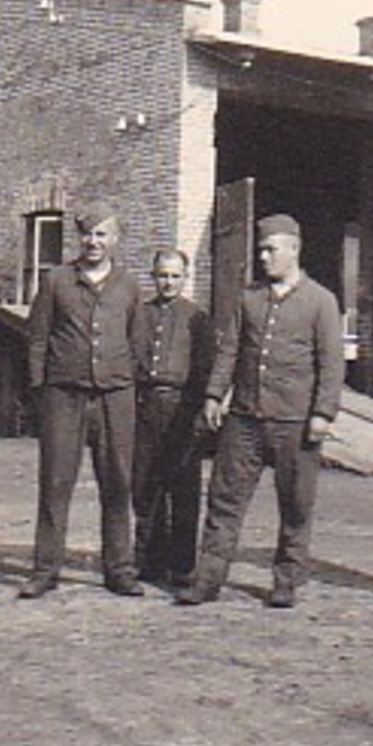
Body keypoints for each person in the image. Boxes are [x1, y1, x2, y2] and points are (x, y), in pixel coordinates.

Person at [176, 213, 345, 609]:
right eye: (261, 250)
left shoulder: (321, 302)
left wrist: (323, 412)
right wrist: (215, 395)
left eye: (271, 250)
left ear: (294, 250)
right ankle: (208, 578)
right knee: (224, 499)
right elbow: (230, 350)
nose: (264, 257)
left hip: (295, 422)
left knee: (296, 504)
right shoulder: (249, 299)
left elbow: (331, 363)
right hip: (246, 419)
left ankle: (287, 580)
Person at [20, 203, 146, 599]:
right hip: (64, 396)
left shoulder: (128, 286)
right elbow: (37, 338)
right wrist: (41, 389)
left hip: (114, 396)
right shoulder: (57, 280)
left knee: (118, 483)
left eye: (102, 234)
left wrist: (127, 383)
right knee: (55, 482)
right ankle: (45, 569)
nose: (94, 242)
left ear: (115, 240)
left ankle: (119, 569)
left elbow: (138, 341)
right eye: (88, 235)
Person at [133, 249, 214, 587]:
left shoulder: (197, 317)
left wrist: (197, 412)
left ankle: (182, 565)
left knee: (183, 487)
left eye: (175, 276)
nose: (168, 282)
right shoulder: (140, 314)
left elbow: (206, 368)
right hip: (146, 406)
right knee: (145, 484)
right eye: (163, 275)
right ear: (153, 276)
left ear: (185, 278)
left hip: (182, 407)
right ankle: (150, 561)